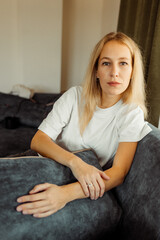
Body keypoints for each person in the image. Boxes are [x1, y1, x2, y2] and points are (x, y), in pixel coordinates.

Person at [16, 32, 152, 218]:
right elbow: (38, 141)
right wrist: (76, 163)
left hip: (76, 185)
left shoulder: (131, 114)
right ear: (96, 70)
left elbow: (119, 173)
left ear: (132, 71)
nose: (114, 72)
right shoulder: (74, 96)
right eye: (106, 63)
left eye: (123, 63)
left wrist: (64, 194)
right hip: (39, 163)